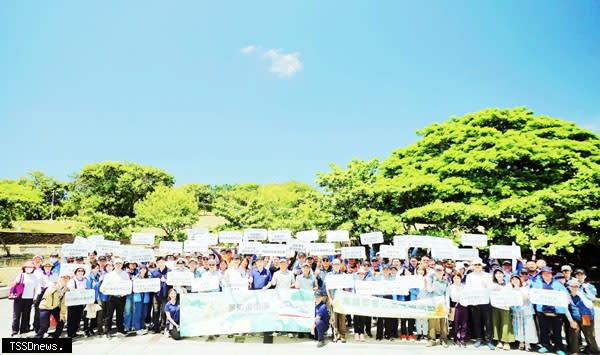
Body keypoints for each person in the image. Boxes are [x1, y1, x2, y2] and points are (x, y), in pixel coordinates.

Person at [531, 266, 575, 355]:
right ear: (541, 275)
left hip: (557, 312)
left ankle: (559, 347)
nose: (546, 275)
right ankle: (545, 345)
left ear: (551, 274)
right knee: (544, 330)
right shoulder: (537, 284)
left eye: (548, 273)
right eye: (544, 273)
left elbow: (565, 297)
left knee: (557, 331)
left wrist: (566, 299)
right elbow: (533, 294)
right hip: (542, 311)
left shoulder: (558, 285)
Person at [465, 257, 495, 349]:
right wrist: (471, 301)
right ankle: (479, 338)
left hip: (486, 301)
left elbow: (491, 288)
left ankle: (489, 340)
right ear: (473, 266)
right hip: (475, 302)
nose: (477, 266)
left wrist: (487, 286)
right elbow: (468, 289)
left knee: (488, 322)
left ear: (482, 266)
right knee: (477, 321)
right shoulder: (470, 276)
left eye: (479, 265)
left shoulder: (487, 275)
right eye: (476, 265)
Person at [100, 257, 130, 338]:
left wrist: (125, 292)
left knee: (120, 315)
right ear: (114, 265)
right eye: (116, 263)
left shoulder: (125, 274)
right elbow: (103, 287)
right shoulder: (109, 275)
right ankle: (107, 331)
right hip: (112, 298)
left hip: (121, 297)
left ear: (122, 264)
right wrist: (103, 289)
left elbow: (128, 286)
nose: (118, 265)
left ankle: (120, 329)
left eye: (120, 263)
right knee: (109, 315)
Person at [566, 279, 599, 355]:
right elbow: (565, 308)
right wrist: (571, 320)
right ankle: (575, 351)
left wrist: (580, 294)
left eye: (576, 286)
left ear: (578, 287)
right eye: (572, 286)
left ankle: (594, 351)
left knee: (589, 335)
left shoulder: (583, 293)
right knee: (574, 334)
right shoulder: (567, 295)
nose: (574, 288)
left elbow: (590, 305)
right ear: (569, 287)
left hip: (585, 317)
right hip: (575, 318)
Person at [510, 275, 538, 351]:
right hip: (516, 311)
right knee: (518, 327)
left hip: (526, 310)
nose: (515, 281)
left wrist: (518, 289)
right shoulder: (510, 290)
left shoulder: (525, 288)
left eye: (516, 279)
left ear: (520, 280)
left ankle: (527, 343)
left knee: (528, 327)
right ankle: (521, 342)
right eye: (513, 279)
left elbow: (526, 298)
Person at [11, 260, 39, 336]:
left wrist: (35, 298)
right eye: (27, 267)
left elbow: (37, 288)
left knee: (26, 316)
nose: (29, 268)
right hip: (19, 298)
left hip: (29, 299)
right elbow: (14, 284)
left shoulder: (35, 277)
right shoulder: (21, 275)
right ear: (24, 268)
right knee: (16, 316)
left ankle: (23, 331)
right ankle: (15, 332)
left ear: (33, 268)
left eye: (31, 267)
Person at [426, 264, 449, 347]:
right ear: (434, 271)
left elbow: (447, 294)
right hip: (432, 303)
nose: (439, 271)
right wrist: (433, 285)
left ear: (443, 271)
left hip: (442, 303)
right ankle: (431, 340)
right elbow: (429, 290)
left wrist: (447, 306)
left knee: (443, 322)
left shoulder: (446, 281)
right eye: (437, 270)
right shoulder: (431, 279)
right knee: (432, 322)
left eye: (440, 270)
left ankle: (443, 340)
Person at [490, 268, 514, 350]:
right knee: (496, 323)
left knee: (505, 323)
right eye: (496, 273)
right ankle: (499, 341)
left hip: (505, 307)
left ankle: (506, 341)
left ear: (503, 274)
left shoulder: (508, 284)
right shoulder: (492, 285)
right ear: (494, 275)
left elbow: (511, 295)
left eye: (500, 273)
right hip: (495, 307)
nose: (498, 275)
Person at [66, 266, 88, 337]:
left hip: (80, 302)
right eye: (79, 271)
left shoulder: (85, 280)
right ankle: (70, 333)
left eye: (82, 271)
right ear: (75, 272)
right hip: (73, 302)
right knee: (71, 318)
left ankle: (74, 332)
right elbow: (71, 289)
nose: (80, 272)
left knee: (78, 318)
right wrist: (79, 290)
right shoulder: (72, 281)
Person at [150, 257, 170, 333]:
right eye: (159, 262)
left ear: (165, 262)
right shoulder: (154, 272)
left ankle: (163, 327)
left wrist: (166, 281)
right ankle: (155, 327)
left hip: (165, 294)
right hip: (156, 294)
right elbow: (150, 283)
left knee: (163, 311)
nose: (161, 263)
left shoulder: (170, 271)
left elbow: (172, 283)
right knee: (155, 311)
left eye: (162, 262)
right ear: (157, 263)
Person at [448, 271, 468, 347]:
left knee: (464, 323)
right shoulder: (450, 287)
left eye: (458, 278)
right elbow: (449, 297)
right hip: (455, 306)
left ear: (460, 278)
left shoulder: (464, 286)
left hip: (464, 305)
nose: (456, 279)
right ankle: (455, 338)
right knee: (455, 323)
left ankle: (462, 338)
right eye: (454, 278)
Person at [133, 266, 152, 334]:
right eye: (142, 269)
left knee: (144, 312)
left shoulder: (149, 278)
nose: (143, 270)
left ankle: (142, 325)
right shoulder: (135, 277)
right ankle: (137, 327)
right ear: (139, 270)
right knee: (138, 312)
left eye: (145, 269)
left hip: (145, 297)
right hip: (138, 296)